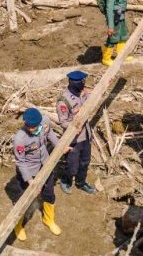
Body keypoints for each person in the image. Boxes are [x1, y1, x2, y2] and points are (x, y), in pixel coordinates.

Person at [12, 108, 63, 240]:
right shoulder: (20, 139)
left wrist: (60, 147)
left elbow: (51, 134)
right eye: (30, 127)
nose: (33, 129)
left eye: (35, 126)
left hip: (45, 166)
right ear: (25, 123)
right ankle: (18, 225)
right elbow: (20, 162)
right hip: (29, 172)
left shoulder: (45, 122)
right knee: (22, 200)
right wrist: (30, 181)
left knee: (49, 195)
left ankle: (48, 220)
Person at [56, 70, 96, 194]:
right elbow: (62, 122)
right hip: (74, 139)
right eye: (81, 82)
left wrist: (87, 95)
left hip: (86, 135)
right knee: (72, 166)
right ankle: (66, 180)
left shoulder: (82, 93)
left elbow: (89, 106)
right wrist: (73, 127)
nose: (83, 84)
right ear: (73, 83)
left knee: (85, 162)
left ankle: (81, 182)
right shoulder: (64, 101)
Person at [100, 0, 129, 66]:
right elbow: (109, 8)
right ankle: (106, 58)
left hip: (120, 14)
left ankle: (121, 55)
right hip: (114, 15)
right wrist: (111, 26)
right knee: (113, 37)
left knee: (123, 34)